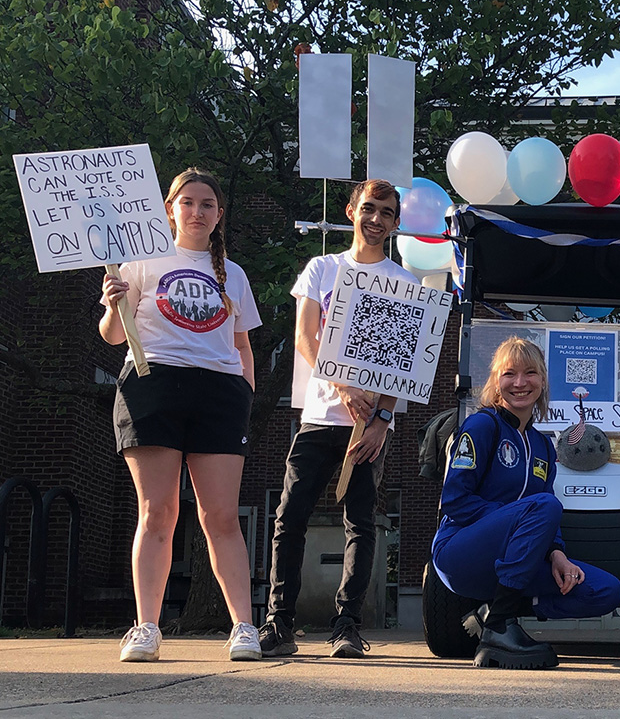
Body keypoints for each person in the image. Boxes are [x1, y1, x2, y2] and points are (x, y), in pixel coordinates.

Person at [100, 168, 263, 662]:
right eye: (187, 202)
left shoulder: (232, 274)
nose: (197, 212)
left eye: (207, 204)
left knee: (220, 516)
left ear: (219, 215)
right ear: (170, 208)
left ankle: (244, 628)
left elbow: (242, 346)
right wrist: (112, 305)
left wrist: (246, 398)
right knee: (158, 512)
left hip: (219, 393)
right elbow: (111, 335)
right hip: (152, 385)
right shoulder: (141, 260)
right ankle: (146, 627)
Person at [259, 179, 415, 658]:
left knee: (361, 522)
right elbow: (305, 336)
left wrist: (382, 418)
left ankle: (347, 625)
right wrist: (345, 387)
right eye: (369, 208)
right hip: (320, 415)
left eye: (386, 213)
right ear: (350, 210)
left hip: (370, 427)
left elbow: (405, 359)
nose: (376, 219)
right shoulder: (322, 269)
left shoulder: (404, 282)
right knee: (289, 516)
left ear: (394, 223)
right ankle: (278, 621)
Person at [432, 337, 620, 669]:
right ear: (496, 381)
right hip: (461, 552)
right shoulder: (481, 426)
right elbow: (455, 501)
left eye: (530, 373)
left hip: (514, 563)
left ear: (543, 380)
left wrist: (557, 555)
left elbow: (542, 512)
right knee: (544, 507)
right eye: (509, 374)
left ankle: (495, 612)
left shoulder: (544, 447)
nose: (520, 383)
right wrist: (514, 520)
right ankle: (500, 628)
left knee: (606, 589)